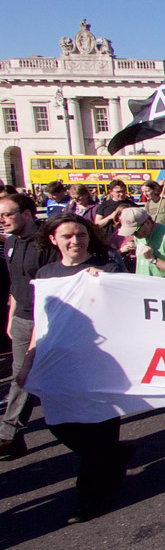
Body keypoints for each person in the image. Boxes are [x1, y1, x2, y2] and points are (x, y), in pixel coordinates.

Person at [24, 214, 131, 521]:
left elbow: (128, 309)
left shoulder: (106, 267)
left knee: (100, 429)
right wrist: (28, 360)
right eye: (67, 236)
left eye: (81, 234)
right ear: (53, 240)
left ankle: (90, 497)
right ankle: (115, 458)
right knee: (61, 424)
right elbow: (41, 322)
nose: (75, 241)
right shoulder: (46, 273)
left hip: (102, 365)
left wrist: (108, 285)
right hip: (62, 364)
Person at [1, 194, 58, 459]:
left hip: (46, 319)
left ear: (26, 214)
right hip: (22, 318)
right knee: (20, 375)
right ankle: (11, 435)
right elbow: (15, 282)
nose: (2, 220)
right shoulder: (10, 242)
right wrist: (12, 315)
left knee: (31, 374)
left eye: (7, 214)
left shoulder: (45, 243)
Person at [116, 207, 165, 280]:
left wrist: (153, 259)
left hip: (164, 288)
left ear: (147, 222)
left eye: (136, 230)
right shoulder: (139, 235)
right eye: (131, 232)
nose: (134, 234)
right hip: (144, 286)